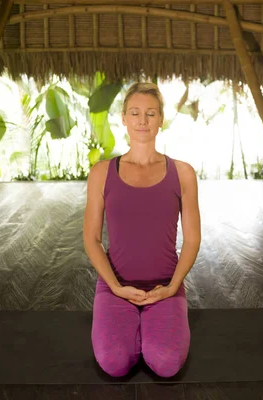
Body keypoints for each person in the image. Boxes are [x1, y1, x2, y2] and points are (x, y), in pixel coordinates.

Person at [83, 82, 201, 378]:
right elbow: (92, 239)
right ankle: (131, 332)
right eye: (135, 113)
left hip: (165, 285)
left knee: (167, 363)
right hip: (115, 285)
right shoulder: (101, 173)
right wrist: (116, 287)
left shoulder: (183, 173)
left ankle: (149, 333)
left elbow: (192, 239)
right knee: (113, 363)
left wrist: (173, 286)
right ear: (124, 118)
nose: (142, 120)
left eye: (150, 113)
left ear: (161, 119)